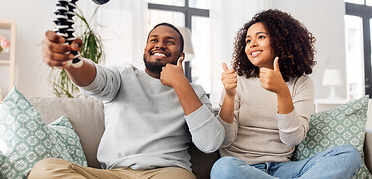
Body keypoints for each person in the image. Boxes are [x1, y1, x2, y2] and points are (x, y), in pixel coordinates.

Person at [29, 22, 225, 179]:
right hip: (115, 173)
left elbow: (210, 143)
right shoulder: (124, 75)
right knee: (44, 170)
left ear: (181, 55)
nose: (159, 45)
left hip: (167, 172)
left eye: (169, 42)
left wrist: (180, 83)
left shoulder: (194, 92)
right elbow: (96, 81)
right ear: (145, 50)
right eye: (153, 40)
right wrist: (72, 62)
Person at [210, 9, 362, 179]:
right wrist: (229, 96)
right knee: (223, 168)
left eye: (261, 37)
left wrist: (282, 92)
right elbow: (226, 139)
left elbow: (292, 139)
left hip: (284, 168)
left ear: (281, 41)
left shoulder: (301, 83)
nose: (252, 44)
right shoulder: (236, 81)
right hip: (243, 167)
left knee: (349, 154)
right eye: (248, 40)